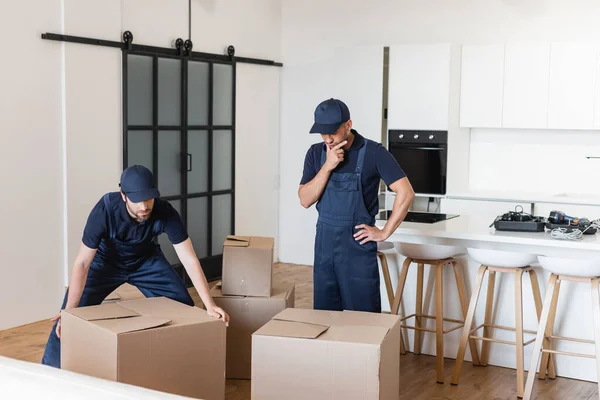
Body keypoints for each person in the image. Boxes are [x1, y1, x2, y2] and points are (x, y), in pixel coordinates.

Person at [41, 165, 229, 368]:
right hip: (105, 263)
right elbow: (83, 262)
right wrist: (69, 310)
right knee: (69, 316)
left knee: (182, 305)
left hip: (146, 261)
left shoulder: (165, 211)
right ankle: (50, 369)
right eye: (137, 199)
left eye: (148, 198)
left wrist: (209, 305)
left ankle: (175, 364)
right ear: (123, 196)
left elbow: (188, 258)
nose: (144, 206)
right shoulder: (104, 210)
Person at [298, 98, 415, 313]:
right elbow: (305, 199)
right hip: (324, 246)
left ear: (348, 125)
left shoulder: (373, 152)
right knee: (325, 316)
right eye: (323, 133)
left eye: (332, 132)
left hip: (357, 247)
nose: (328, 139)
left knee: (362, 318)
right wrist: (328, 166)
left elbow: (406, 192)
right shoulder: (315, 154)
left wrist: (384, 232)